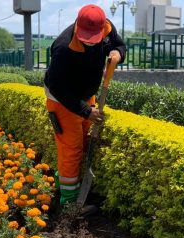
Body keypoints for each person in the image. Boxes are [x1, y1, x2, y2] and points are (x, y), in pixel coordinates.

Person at [44, 4, 126, 207]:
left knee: (80, 145)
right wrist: (85, 111)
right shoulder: (63, 47)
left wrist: (117, 53)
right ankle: (70, 202)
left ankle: (62, 179)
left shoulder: (107, 28)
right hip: (62, 99)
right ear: (77, 26)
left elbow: (119, 45)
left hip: (86, 94)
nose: (89, 42)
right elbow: (57, 86)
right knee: (71, 149)